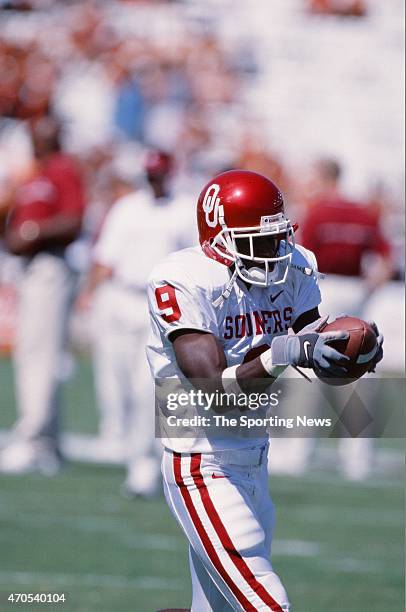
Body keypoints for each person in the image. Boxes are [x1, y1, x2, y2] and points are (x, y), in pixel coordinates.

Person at [146, 170, 383, 610]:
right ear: (219, 237)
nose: (274, 251)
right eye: (259, 240)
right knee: (268, 605)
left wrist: (351, 355)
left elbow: (314, 356)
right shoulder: (184, 278)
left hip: (255, 457)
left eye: (277, 236)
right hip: (201, 461)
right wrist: (282, 352)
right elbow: (213, 388)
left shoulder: (293, 264)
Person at [82, 149, 193, 497]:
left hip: (158, 304)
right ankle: (130, 450)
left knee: (148, 386)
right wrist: (89, 294)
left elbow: (194, 263)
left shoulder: (184, 210)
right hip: (120, 298)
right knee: (115, 383)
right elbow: (105, 257)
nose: (155, 180)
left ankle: (144, 463)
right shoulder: (128, 208)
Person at [0, 116, 85, 475]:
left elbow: (72, 220)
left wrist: (32, 233)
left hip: (50, 265)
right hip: (30, 268)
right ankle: (46, 440)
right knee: (32, 353)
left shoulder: (62, 170)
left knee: (41, 354)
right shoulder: (32, 173)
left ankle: (34, 438)